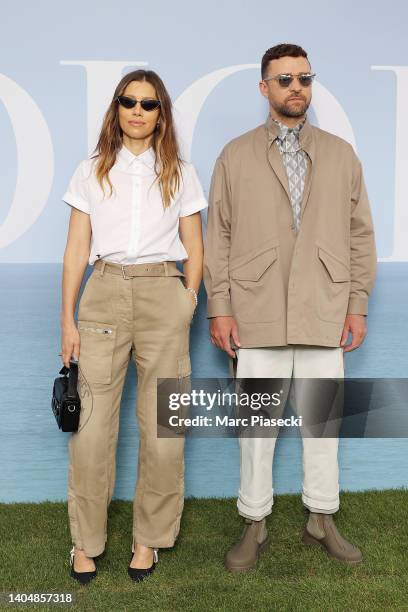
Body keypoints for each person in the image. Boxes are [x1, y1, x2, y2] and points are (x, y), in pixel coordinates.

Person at [203, 43, 377, 571]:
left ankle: (321, 519)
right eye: (284, 79)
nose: (295, 87)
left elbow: (359, 234)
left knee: (323, 424)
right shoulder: (234, 155)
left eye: (304, 78)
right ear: (264, 88)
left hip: (325, 307)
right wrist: (220, 308)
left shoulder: (342, 154)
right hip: (255, 310)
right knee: (256, 430)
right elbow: (220, 236)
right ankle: (253, 523)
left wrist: (357, 303)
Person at [60, 69, 207, 584]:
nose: (138, 111)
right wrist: (67, 319)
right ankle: (87, 542)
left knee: (165, 426)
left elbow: (195, 245)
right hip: (102, 293)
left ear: (160, 112)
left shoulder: (181, 172)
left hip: (164, 293)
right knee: (92, 427)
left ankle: (149, 538)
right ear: (117, 108)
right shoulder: (91, 170)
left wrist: (187, 299)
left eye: (148, 104)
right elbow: (77, 249)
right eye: (129, 101)